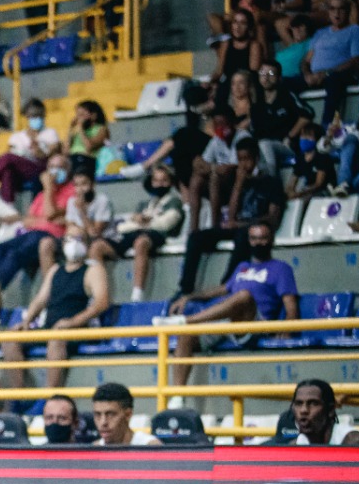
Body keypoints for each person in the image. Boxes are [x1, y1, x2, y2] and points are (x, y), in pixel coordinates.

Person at [159, 222, 298, 387]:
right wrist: (188, 297)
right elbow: (222, 289)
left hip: (254, 323)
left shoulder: (281, 268)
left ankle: (186, 321)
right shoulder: (243, 266)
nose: (258, 243)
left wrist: (288, 329)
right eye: (254, 239)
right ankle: (177, 396)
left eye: (263, 238)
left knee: (244, 296)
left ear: (271, 240)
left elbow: (290, 304)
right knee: (187, 336)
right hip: (228, 322)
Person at [2, 228, 109, 390]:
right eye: (68, 239)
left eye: (78, 239)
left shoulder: (93, 270)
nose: (73, 243)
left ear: (86, 244)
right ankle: (20, 394)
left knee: (56, 340)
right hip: (52, 327)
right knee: (10, 338)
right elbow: (39, 300)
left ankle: (51, 396)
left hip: (77, 329)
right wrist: (26, 321)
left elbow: (101, 303)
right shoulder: (54, 271)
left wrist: (72, 322)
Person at [177, 137, 285, 297]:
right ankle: (186, 289)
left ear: (256, 158)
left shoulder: (272, 182)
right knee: (196, 237)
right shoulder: (237, 182)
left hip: (256, 228)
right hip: (238, 226)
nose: (243, 165)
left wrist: (241, 224)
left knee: (243, 235)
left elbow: (272, 218)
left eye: (247, 159)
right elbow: (232, 216)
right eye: (240, 159)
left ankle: (226, 284)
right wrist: (238, 185)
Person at [88, 164, 184, 302]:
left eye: (164, 180)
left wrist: (142, 222)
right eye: (156, 181)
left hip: (157, 235)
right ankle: (97, 296)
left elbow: (165, 224)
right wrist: (138, 221)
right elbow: (122, 227)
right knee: (97, 246)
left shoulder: (174, 202)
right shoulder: (145, 204)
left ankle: (137, 294)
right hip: (135, 234)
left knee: (141, 242)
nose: (159, 184)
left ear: (171, 182)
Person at [0, 152, 74, 288]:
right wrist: (47, 219)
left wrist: (48, 188)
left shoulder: (72, 191)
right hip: (32, 235)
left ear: (68, 172)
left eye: (60, 167)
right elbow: (27, 221)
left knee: (15, 255)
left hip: (53, 237)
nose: (54, 171)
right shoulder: (41, 195)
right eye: (51, 167)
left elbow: (49, 213)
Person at [288, 0, 359, 126]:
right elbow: (306, 60)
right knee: (285, 83)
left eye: (341, 9)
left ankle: (327, 125)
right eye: (333, 9)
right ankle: (302, 113)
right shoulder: (320, 33)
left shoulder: (355, 31)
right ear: (328, 12)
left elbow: (357, 60)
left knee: (334, 80)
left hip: (339, 75)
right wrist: (308, 74)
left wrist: (327, 73)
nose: (337, 13)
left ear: (347, 11)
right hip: (315, 75)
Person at [0, 98, 61, 202]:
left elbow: (48, 156)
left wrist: (36, 147)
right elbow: (10, 153)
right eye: (33, 116)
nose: (36, 118)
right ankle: (8, 207)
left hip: (39, 168)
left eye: (39, 115)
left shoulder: (50, 133)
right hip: (20, 169)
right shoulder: (17, 136)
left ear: (44, 115)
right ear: (27, 117)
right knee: (7, 171)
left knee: (8, 157)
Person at [264, 379, 359, 445]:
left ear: (330, 410)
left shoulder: (353, 442)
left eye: (313, 403)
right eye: (298, 403)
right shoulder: (296, 445)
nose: (303, 410)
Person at [92, 382, 161, 446]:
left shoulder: (149, 447)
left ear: (128, 414)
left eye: (110, 415)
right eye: (97, 414)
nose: (103, 422)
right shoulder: (95, 449)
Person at [286, 122, 335, 199]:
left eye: (308, 136)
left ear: (317, 139)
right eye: (303, 135)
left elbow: (318, 184)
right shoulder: (300, 158)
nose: (304, 138)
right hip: (307, 191)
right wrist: (291, 192)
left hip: (325, 192)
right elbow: (292, 182)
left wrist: (300, 193)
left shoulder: (322, 157)